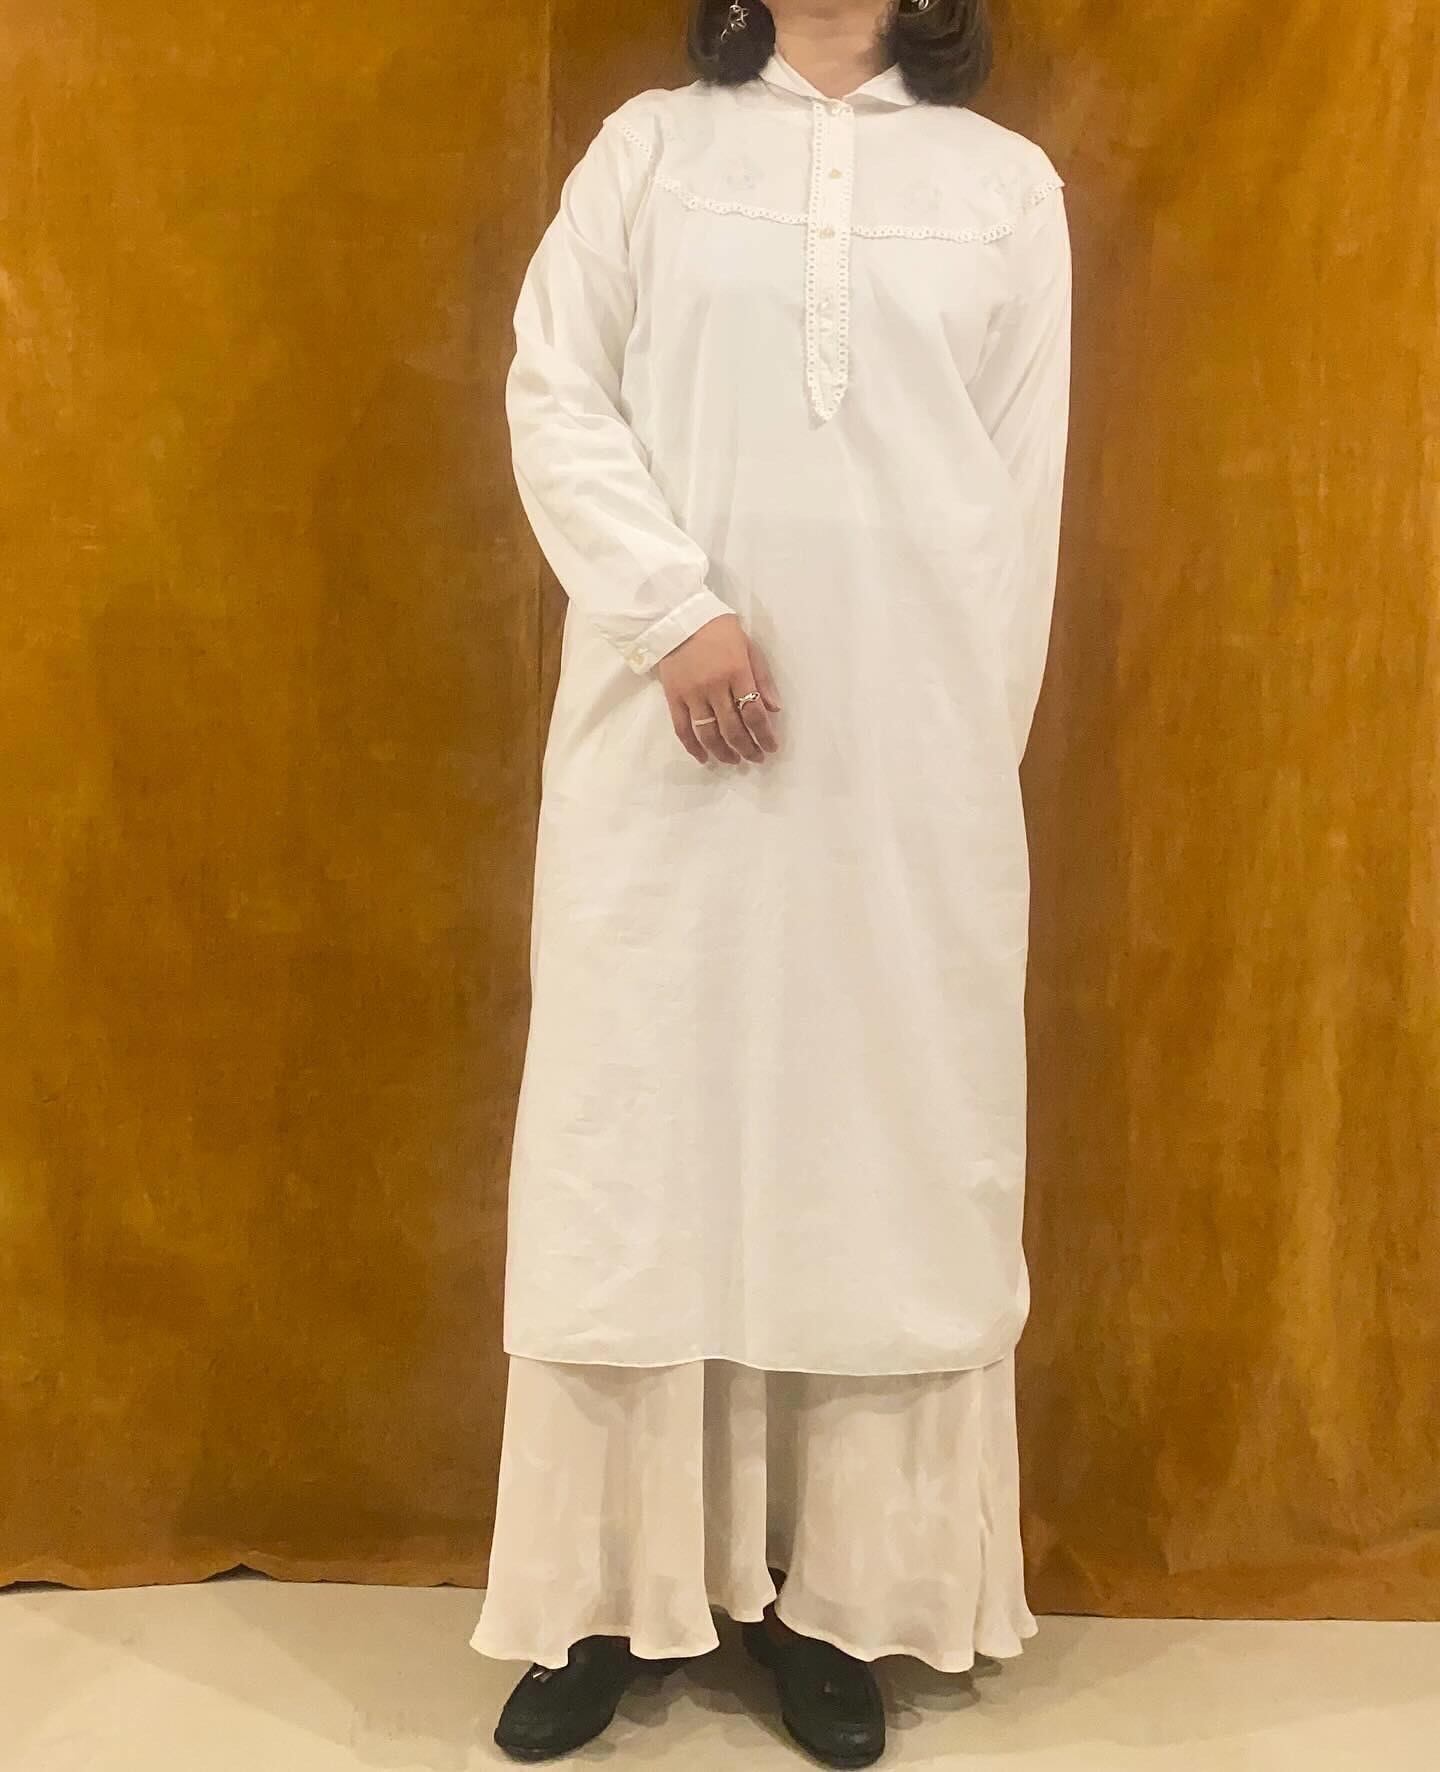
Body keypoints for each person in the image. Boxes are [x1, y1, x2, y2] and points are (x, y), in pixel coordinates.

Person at [471, 0, 1072, 1762]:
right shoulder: (651, 151)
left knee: (871, 1152)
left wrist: (958, 761)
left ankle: (836, 1601)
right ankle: (610, 1594)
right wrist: (672, 610)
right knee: (640, 1139)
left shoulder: (1003, 188)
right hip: (664, 746)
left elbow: (1018, 502)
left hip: (901, 771)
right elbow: (554, 387)